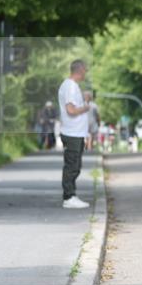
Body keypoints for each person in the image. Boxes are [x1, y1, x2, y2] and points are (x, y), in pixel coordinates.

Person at [58, 59, 91, 209]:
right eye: (85, 70)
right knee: (72, 165)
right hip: (72, 133)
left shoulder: (70, 86)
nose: (86, 72)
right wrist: (85, 108)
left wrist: (84, 100)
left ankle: (71, 195)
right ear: (80, 70)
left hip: (74, 132)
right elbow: (70, 110)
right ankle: (69, 197)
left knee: (75, 165)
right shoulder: (70, 86)